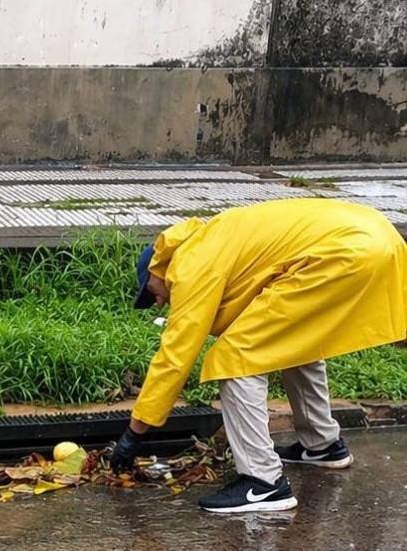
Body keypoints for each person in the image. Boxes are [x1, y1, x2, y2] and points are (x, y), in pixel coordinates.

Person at [111, 197, 407, 514]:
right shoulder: (214, 240)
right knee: (292, 343)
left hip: (345, 252)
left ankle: (263, 483)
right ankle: (322, 445)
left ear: (157, 268)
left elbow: (175, 357)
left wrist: (134, 433)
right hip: (377, 238)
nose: (157, 303)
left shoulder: (190, 264)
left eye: (151, 293)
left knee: (234, 356)